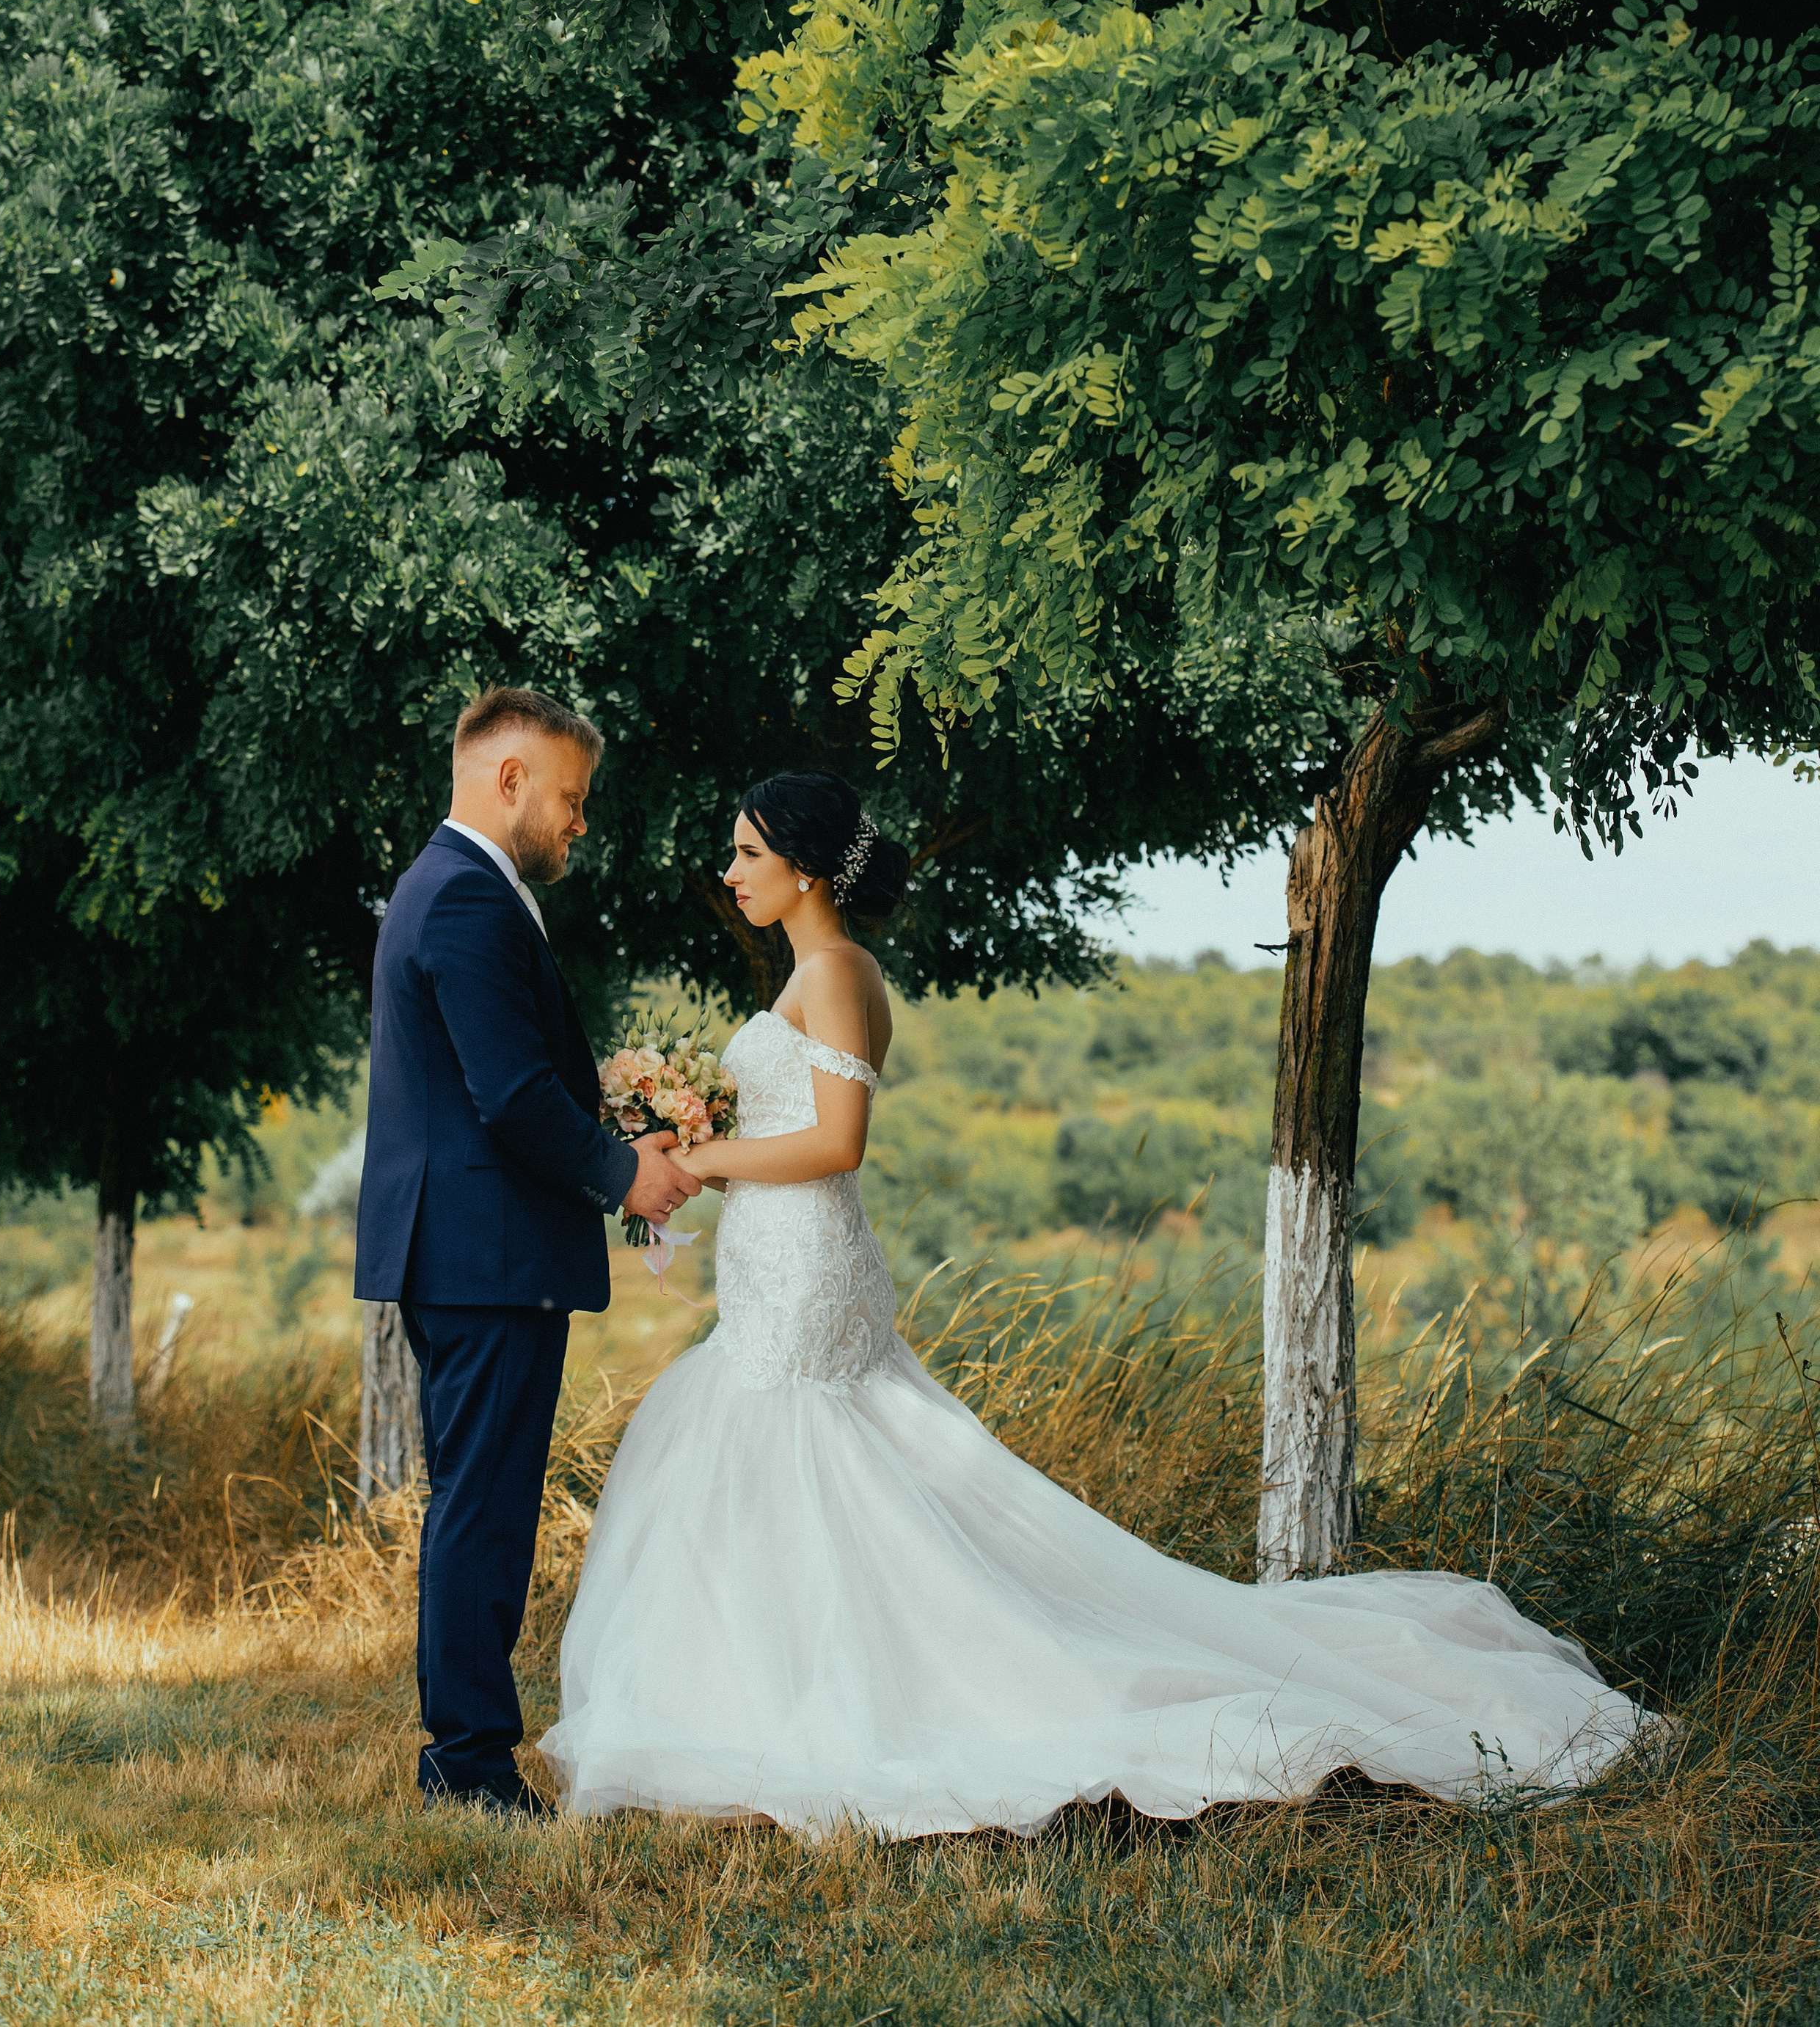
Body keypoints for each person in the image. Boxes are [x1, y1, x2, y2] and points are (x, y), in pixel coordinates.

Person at [540, 767, 1653, 1837]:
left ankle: (830, 1709)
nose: (730, 869)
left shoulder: (835, 970)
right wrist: (685, 1140)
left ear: (808, 869)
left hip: (806, 1259)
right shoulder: (812, 970)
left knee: (801, 1447)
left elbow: (838, 1142)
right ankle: (759, 1695)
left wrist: (700, 1153)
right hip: (781, 1257)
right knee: (803, 1465)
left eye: (748, 852)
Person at [356, 687, 700, 1816]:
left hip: (471, 1251)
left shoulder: (454, 889)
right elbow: (507, 1095)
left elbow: (507, 1080)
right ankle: (468, 1764)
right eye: (572, 798)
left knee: (480, 1498)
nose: (580, 823)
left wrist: (619, 1128)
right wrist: (624, 1172)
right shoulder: (463, 899)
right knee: (484, 1507)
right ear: (510, 780)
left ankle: (466, 1751)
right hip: (482, 1254)